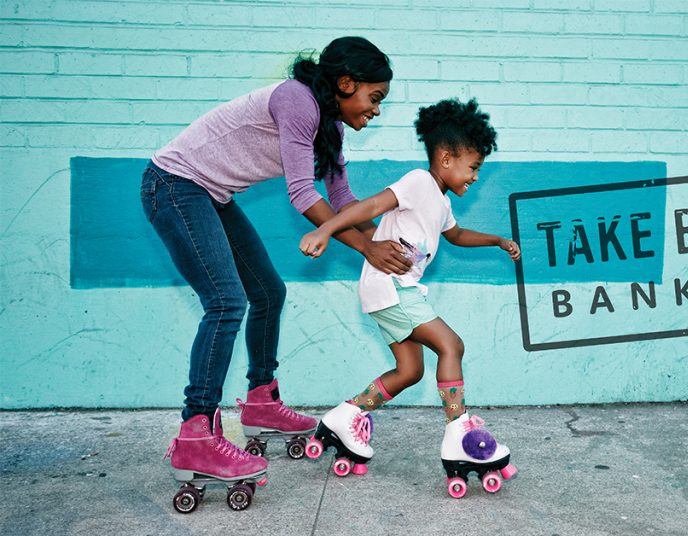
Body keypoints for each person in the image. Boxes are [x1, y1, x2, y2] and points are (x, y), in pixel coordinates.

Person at [144, 36, 412, 508]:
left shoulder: (330, 126)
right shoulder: (296, 101)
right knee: (227, 302)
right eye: (375, 99)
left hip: (210, 196)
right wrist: (368, 248)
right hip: (175, 185)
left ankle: (262, 401)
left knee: (267, 291)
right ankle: (195, 434)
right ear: (346, 83)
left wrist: (388, 236)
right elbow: (302, 195)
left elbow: (343, 202)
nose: (375, 112)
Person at [298, 98, 520, 498]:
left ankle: (344, 417)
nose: (475, 177)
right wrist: (326, 230)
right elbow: (370, 205)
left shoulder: (442, 200)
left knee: (410, 371)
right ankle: (458, 436)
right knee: (451, 344)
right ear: (446, 157)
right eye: (473, 167)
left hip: (391, 290)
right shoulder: (418, 182)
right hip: (390, 286)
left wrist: (498, 241)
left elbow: (456, 235)